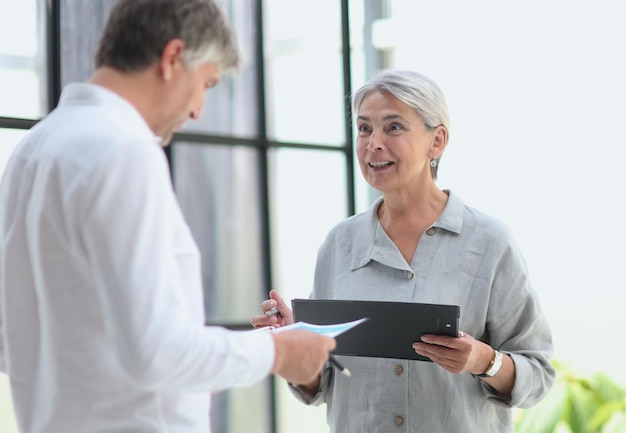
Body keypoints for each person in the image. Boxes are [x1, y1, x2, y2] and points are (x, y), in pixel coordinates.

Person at [0, 1, 336, 432]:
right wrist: (280, 353)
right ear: (173, 58)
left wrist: (195, 372)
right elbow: (157, 352)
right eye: (206, 83)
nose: (197, 110)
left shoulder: (31, 150)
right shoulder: (125, 151)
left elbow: (15, 340)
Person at [251, 70, 555, 432]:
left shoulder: (489, 242)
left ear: (437, 141)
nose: (373, 143)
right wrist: (295, 343)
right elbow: (322, 385)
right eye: (364, 128)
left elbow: (538, 375)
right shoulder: (338, 245)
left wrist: (482, 360)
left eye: (393, 127)